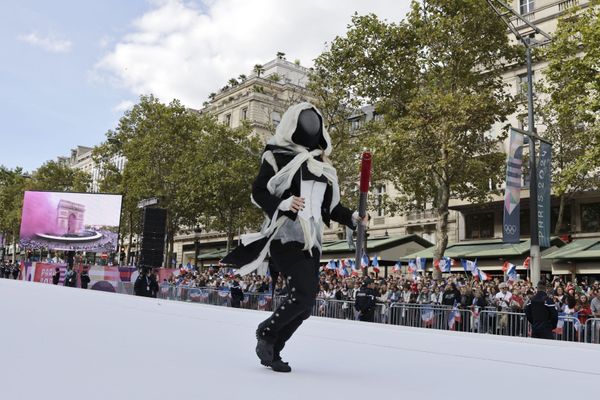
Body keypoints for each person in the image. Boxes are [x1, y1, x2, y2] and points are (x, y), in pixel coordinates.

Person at [221, 102, 364, 373]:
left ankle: (274, 349)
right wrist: (284, 203)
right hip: (285, 235)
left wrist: (353, 218)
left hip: (313, 239)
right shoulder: (276, 155)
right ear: (293, 125)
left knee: (307, 303)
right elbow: (259, 192)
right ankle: (266, 332)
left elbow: (330, 207)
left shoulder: (323, 165)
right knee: (304, 293)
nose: (311, 127)